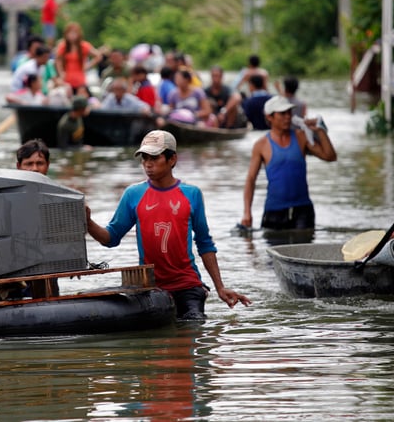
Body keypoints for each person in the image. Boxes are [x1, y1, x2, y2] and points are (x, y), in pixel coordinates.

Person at [86, 130, 251, 319]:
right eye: (144, 158)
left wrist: (220, 287)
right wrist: (88, 222)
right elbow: (111, 238)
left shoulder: (191, 195)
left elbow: (205, 244)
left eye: (154, 158)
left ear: (172, 159)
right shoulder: (133, 194)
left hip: (187, 286)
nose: (148, 164)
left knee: (193, 325)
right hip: (151, 288)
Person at [242, 96, 337, 230]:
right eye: (282, 114)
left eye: (289, 113)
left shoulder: (301, 137)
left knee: (304, 249)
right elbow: (251, 179)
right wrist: (247, 212)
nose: (287, 117)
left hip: (303, 210)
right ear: (269, 117)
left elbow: (330, 156)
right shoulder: (261, 145)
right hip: (274, 210)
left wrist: (319, 130)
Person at [55, 22, 101, 92]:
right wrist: (61, 72)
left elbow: (98, 56)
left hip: (79, 78)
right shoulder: (63, 46)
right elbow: (58, 60)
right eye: (70, 33)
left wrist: (88, 65)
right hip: (67, 78)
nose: (72, 35)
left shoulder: (84, 46)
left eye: (74, 33)